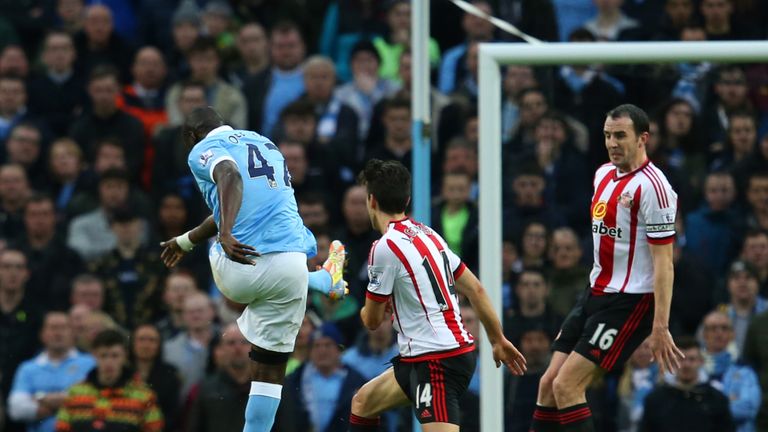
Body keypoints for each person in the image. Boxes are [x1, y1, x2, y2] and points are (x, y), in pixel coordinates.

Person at [158, 107, 347, 432]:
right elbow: (236, 197)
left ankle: (319, 279)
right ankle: (322, 279)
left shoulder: (202, 150)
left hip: (240, 268)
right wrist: (186, 240)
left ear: (191, 136)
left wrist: (227, 233)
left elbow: (229, 176)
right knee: (271, 372)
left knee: (224, 236)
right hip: (291, 266)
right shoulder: (265, 143)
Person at [529, 104, 684, 432]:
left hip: (630, 300)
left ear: (642, 139)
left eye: (620, 136)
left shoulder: (654, 189)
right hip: (595, 292)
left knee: (567, 386)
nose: (612, 143)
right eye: (607, 136)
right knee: (548, 384)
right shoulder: (602, 175)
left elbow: (664, 264)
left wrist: (660, 327)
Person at [347, 159, 526, 432]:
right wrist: (497, 339)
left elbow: (371, 321)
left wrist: (368, 305)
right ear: (406, 199)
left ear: (371, 201)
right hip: (429, 355)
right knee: (363, 403)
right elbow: (475, 289)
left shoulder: (383, 248)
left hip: (436, 359)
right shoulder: (428, 233)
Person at [54, 329, 163, 432]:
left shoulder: (144, 396)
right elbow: (62, 428)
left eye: (115, 356)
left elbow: (154, 428)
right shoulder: (75, 393)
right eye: (103, 356)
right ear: (94, 356)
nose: (109, 362)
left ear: (125, 356)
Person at [7, 312, 95, 432]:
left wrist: (40, 398)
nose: (58, 333)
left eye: (63, 327)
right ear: (42, 334)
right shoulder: (28, 368)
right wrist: (68, 402)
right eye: (53, 328)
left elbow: (94, 401)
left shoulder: (91, 363)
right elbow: (16, 410)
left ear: (72, 333)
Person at [640, 336, 734, 432]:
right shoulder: (655, 400)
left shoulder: (717, 400)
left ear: (701, 361)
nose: (686, 365)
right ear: (672, 361)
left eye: (692, 359)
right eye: (680, 359)